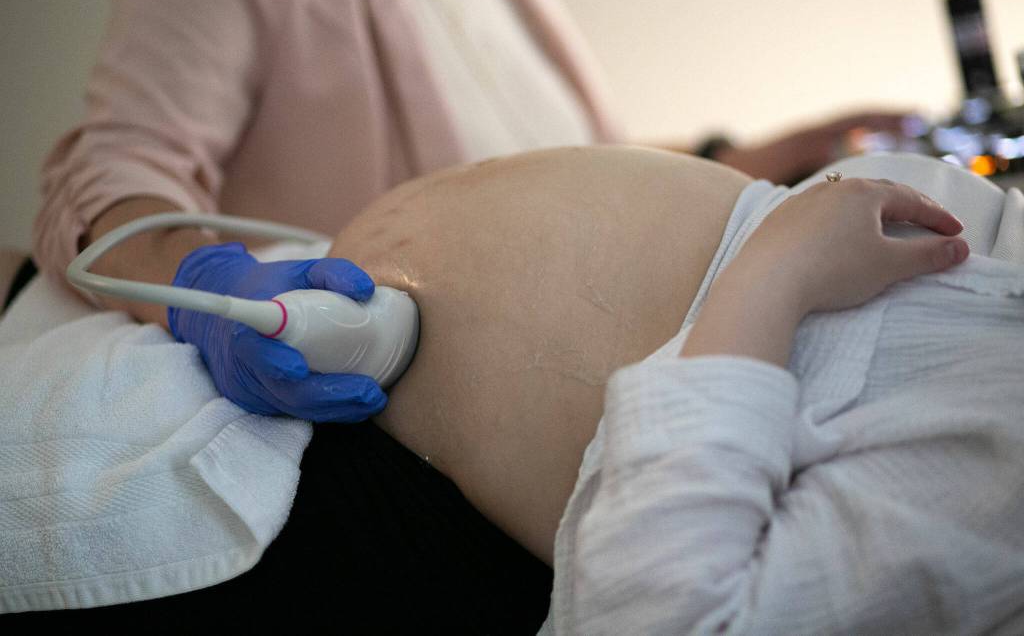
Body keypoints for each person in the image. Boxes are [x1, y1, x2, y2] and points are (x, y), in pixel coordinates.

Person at [11, 145, 1023, 632]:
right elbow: (104, 172)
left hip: (340, 493)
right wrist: (202, 284)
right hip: (251, 341)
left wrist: (774, 276)